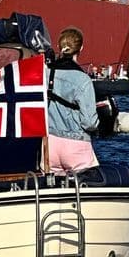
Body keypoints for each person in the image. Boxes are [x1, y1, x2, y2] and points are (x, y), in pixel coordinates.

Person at [47, 27, 99, 173]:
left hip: (50, 143)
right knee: (86, 189)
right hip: (75, 144)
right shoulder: (83, 79)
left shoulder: (45, 73)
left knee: (54, 191)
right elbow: (89, 122)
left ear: (58, 46)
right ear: (81, 48)